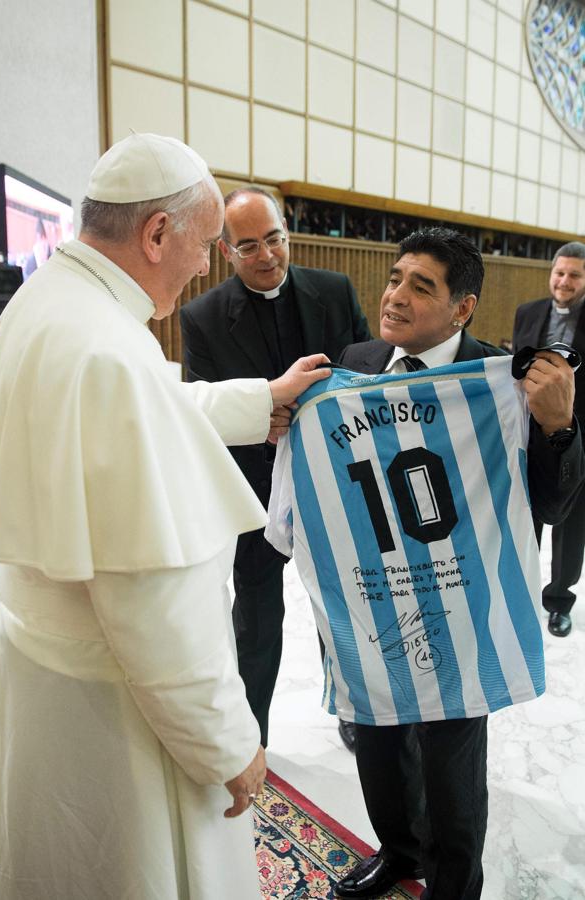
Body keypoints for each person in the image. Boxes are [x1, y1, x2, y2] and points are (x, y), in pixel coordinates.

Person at [0, 132, 331, 900]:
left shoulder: (49, 301)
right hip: (112, 700)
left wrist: (256, 397)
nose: (208, 263)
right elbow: (156, 603)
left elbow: (140, 412)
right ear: (156, 233)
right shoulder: (107, 347)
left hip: (43, 658)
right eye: (206, 243)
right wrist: (228, 743)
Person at [268, 227, 584, 900]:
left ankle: (453, 885)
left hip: (460, 603)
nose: (397, 296)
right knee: (376, 740)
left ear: (462, 307)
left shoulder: (503, 379)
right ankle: (400, 852)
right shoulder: (354, 359)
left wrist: (558, 428)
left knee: (451, 766)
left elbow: (552, 507)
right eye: (393, 278)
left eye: (422, 285)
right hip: (372, 596)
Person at [180, 186, 371, 750]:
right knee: (257, 617)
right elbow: (204, 407)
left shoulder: (333, 292)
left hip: (334, 484)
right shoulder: (203, 316)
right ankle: (251, 732)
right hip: (255, 489)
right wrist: (255, 418)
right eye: (248, 247)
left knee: (340, 608)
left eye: (274, 240)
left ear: (287, 234)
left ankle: (355, 712)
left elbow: (365, 372)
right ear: (225, 251)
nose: (266, 257)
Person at [513, 241, 585, 637]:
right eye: (560, 272)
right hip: (529, 434)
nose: (564, 281)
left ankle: (559, 600)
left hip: (579, 438)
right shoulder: (528, 312)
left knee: (571, 527)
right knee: (526, 520)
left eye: (574, 274)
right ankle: (521, 593)